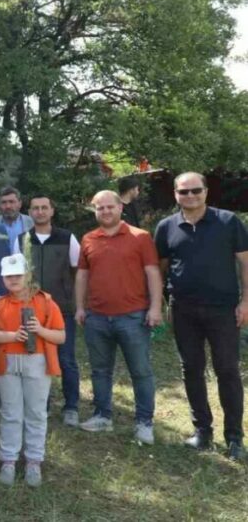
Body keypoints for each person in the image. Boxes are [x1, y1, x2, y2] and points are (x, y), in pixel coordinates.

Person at [155, 172, 248, 459]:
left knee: (227, 370)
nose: (190, 196)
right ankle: (202, 431)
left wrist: (246, 301)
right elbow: (160, 268)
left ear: (206, 192)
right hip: (183, 310)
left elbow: (245, 263)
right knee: (191, 369)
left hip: (224, 309)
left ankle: (234, 438)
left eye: (196, 190)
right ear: (175, 195)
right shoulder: (166, 227)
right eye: (184, 192)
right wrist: (160, 303)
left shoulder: (228, 222)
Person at [75, 190, 162, 444]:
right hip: (97, 317)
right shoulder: (89, 239)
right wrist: (80, 307)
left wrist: (155, 308)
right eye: (99, 208)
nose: (105, 211)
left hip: (133, 317)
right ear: (95, 211)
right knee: (100, 371)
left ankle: (144, 423)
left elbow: (153, 273)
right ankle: (102, 415)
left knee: (141, 371)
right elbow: (82, 275)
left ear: (120, 207)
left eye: (109, 207)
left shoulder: (140, 237)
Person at [0, 254, 66, 487]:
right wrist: (10, 336)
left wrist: (39, 329)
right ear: (3, 279)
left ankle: (33, 460)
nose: (13, 280)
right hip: (7, 362)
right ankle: (8, 459)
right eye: (9, 276)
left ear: (28, 276)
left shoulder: (46, 302)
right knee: (10, 411)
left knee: (36, 412)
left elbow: (60, 336)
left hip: (37, 361)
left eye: (17, 275)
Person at [25, 195, 81, 426]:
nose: (40, 212)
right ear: (29, 212)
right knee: (37, 359)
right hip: (32, 309)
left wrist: (77, 304)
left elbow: (78, 272)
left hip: (62, 308)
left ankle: (71, 407)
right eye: (35, 208)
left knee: (66, 358)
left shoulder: (67, 238)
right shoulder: (22, 239)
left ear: (52, 210)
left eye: (44, 207)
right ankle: (42, 405)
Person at [0, 186, 34, 254]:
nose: (8, 206)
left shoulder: (31, 222)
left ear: (20, 204)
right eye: (4, 202)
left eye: (11, 202)